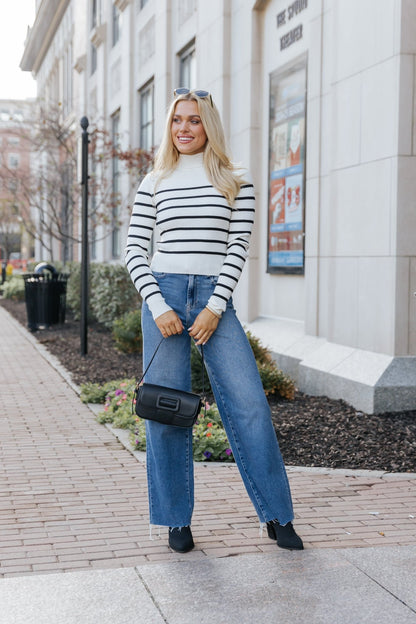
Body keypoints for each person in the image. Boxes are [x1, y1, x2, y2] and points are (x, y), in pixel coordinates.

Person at [125, 88, 303, 554]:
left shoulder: (235, 180)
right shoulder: (155, 180)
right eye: (177, 120)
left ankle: (277, 516)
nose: (184, 128)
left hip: (213, 299)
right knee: (165, 410)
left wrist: (215, 306)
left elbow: (236, 249)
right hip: (161, 295)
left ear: (210, 126)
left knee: (249, 406)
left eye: (195, 120)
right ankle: (174, 522)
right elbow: (134, 250)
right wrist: (159, 306)